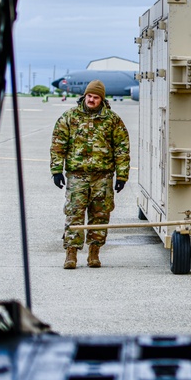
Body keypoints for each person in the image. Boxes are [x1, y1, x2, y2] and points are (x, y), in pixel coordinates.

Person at [50, 80, 131, 269]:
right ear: (84, 96)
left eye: (95, 97)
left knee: (100, 216)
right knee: (74, 214)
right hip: (77, 176)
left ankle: (94, 252)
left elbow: (122, 148)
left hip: (102, 177)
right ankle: (71, 253)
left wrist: (122, 176)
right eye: (89, 96)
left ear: (101, 99)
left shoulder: (112, 120)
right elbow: (58, 145)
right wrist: (56, 170)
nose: (92, 100)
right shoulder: (69, 117)